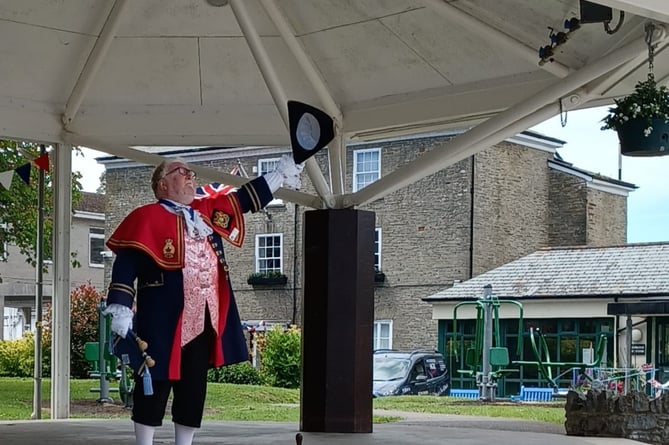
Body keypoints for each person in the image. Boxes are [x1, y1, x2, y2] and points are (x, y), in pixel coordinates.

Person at [103, 155, 302, 445]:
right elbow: (126, 262)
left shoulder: (204, 212)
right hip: (162, 319)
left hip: (206, 317)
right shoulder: (145, 217)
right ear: (162, 185)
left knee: (193, 387)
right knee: (154, 383)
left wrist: (279, 175)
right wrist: (121, 306)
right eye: (180, 171)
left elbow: (241, 200)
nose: (189, 175)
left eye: (190, 170)